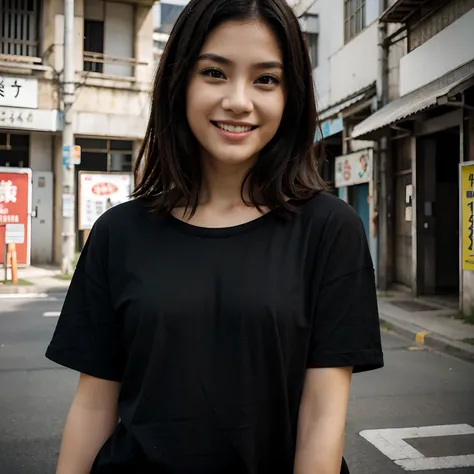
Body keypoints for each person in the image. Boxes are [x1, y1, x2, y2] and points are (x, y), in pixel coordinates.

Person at [45, 0, 384, 473]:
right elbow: (94, 404)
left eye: (266, 79)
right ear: (180, 81)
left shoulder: (331, 229)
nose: (239, 101)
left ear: (292, 96)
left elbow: (322, 418)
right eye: (214, 72)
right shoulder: (118, 233)